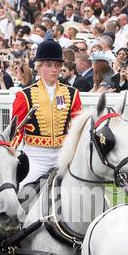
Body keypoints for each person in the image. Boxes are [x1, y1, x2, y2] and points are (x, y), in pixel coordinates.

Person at [11, 38, 83, 185]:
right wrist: (9, 152)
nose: (54, 69)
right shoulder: (25, 95)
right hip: (36, 156)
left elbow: (78, 127)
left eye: (57, 65)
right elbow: (16, 130)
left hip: (64, 154)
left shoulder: (72, 93)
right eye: (49, 65)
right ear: (39, 66)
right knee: (20, 189)